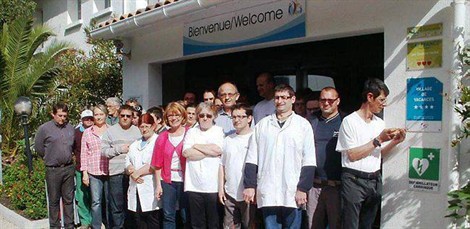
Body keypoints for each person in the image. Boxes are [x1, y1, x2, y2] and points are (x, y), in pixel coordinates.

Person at [243, 84, 316, 228]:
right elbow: (252, 158)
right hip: (268, 190)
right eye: (277, 97)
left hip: (293, 190)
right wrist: (250, 185)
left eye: (284, 97)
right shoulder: (262, 125)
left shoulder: (303, 125)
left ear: (292, 99)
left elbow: (309, 160)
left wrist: (302, 188)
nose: (280, 101)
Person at [336, 78, 406, 228]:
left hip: (374, 179)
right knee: (351, 225)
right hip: (353, 179)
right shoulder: (350, 121)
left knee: (368, 225)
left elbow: (379, 154)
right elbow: (352, 155)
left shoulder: (379, 123)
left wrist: (395, 142)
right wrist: (378, 139)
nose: (384, 104)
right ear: (369, 97)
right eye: (381, 99)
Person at [306, 87, 344, 229]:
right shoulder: (311, 121)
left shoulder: (345, 121)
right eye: (323, 100)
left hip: (336, 187)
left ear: (338, 101)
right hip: (314, 186)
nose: (326, 103)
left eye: (330, 100)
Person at [183, 102, 225, 229]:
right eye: (201, 115)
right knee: (197, 223)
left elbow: (218, 150)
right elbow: (186, 153)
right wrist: (208, 152)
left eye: (208, 115)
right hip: (193, 185)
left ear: (214, 117)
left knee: (213, 222)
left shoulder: (218, 131)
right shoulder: (191, 132)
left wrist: (195, 146)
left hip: (212, 186)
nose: (205, 118)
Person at [34, 102, 75, 229]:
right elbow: (39, 148)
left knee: (68, 199)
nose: (62, 118)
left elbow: (73, 146)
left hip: (68, 168)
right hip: (53, 170)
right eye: (60, 115)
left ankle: (69, 225)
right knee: (54, 200)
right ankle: (55, 226)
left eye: (64, 116)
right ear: (53, 114)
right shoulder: (44, 129)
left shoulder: (70, 128)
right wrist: (49, 157)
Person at [101, 105, 141, 228]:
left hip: (133, 174)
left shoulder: (137, 131)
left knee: (132, 205)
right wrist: (119, 149)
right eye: (122, 115)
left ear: (132, 117)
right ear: (118, 116)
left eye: (128, 116)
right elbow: (103, 151)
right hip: (116, 173)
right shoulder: (110, 131)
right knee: (117, 206)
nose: (125, 118)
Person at [152, 102, 189, 229]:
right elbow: (157, 164)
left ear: (183, 116)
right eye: (170, 115)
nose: (174, 118)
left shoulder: (190, 133)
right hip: (168, 181)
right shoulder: (162, 137)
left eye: (177, 114)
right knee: (168, 215)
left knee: (186, 215)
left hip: (187, 180)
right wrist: (158, 185)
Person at [218, 103, 255, 229]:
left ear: (249, 118)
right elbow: (222, 166)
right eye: (234, 117)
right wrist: (221, 189)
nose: (236, 120)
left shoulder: (255, 138)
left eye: (241, 116)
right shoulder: (228, 139)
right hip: (230, 194)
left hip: (250, 195)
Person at [126, 113, 161, 228]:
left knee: (152, 219)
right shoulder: (135, 144)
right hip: (135, 186)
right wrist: (130, 170)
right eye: (142, 126)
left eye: (147, 126)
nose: (144, 129)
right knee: (139, 220)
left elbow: (155, 163)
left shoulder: (158, 141)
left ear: (153, 126)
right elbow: (128, 160)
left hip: (150, 185)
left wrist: (137, 173)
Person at [81, 105, 110, 229]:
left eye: (101, 114)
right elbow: (84, 154)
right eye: (96, 114)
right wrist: (85, 173)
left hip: (110, 171)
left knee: (110, 202)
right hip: (94, 171)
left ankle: (110, 225)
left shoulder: (112, 130)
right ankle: (96, 226)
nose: (98, 117)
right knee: (96, 202)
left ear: (106, 115)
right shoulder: (88, 132)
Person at [74, 109, 94, 228]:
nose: (89, 121)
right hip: (80, 168)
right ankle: (85, 221)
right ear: (82, 120)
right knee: (82, 196)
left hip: (95, 169)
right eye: (86, 119)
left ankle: (95, 219)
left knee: (95, 197)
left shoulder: (98, 131)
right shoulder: (76, 132)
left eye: (91, 118)